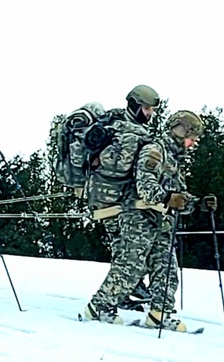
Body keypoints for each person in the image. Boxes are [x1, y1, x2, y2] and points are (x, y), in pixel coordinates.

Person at [83, 110, 212, 332]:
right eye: (192, 137)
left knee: (167, 267)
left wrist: (197, 203)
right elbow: (145, 187)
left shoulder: (173, 158)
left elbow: (177, 195)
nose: (193, 143)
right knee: (131, 265)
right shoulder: (154, 151)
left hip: (160, 219)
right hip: (138, 217)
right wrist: (167, 198)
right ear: (180, 131)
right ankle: (99, 308)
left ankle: (159, 314)